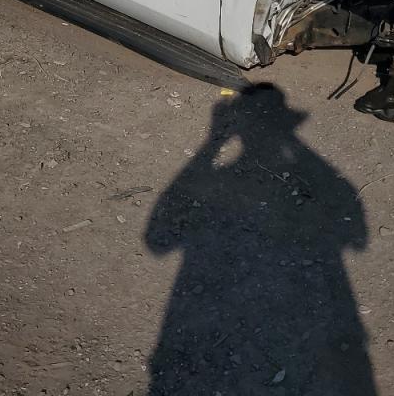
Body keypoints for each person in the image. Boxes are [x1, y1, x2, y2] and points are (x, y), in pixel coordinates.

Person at [145, 84, 375, 395]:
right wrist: (291, 138)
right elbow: (358, 237)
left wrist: (213, 142)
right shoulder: (324, 182)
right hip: (316, 326)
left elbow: (157, 239)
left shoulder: (222, 179)